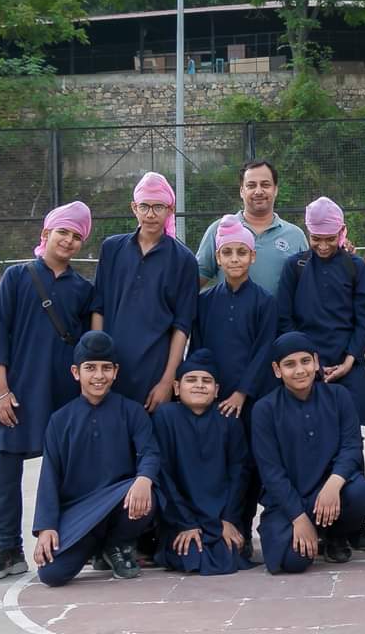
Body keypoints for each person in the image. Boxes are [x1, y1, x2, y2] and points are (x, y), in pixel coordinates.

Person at [0, 202, 94, 582]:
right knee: (6, 471)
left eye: (77, 236)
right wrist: (1, 391)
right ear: (45, 234)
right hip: (18, 394)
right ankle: (8, 548)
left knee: (68, 472)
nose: (69, 240)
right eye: (63, 232)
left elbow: (87, 347)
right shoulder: (17, 277)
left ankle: (73, 540)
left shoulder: (83, 290)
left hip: (63, 394)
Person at [276, 196, 365, 552]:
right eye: (316, 239)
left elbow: (364, 318)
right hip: (306, 371)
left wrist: (350, 359)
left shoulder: (355, 267)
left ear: (342, 232)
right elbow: (285, 320)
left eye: (329, 239)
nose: (322, 246)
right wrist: (307, 364)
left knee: (352, 443)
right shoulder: (295, 267)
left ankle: (353, 524)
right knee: (311, 441)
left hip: (347, 368)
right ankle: (318, 518)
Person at [31, 331, 160, 587]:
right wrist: (46, 527)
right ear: (76, 372)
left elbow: (150, 452)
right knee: (52, 574)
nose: (99, 375)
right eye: (90, 368)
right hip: (79, 513)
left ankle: (117, 544)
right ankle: (96, 547)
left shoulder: (132, 411)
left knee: (147, 492)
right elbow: (49, 476)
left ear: (115, 372)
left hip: (119, 504)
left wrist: (145, 478)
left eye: (106, 368)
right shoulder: (60, 420)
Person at [251, 332, 365, 574]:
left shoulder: (338, 396)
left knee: (360, 493)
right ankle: (311, 532)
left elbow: (351, 447)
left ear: (316, 362)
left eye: (305, 361)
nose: (299, 370)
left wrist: (334, 484)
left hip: (329, 495)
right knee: (293, 561)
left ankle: (335, 535)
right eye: (289, 364)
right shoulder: (264, 409)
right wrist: (298, 518)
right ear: (277, 370)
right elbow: (271, 471)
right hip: (288, 502)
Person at [190, 214, 278, 552]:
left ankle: (244, 527)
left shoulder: (265, 302)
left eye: (242, 252)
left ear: (252, 256)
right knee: (221, 463)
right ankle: (223, 528)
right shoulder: (204, 302)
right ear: (218, 257)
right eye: (227, 253)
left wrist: (242, 393)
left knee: (250, 464)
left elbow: (263, 351)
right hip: (215, 400)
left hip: (251, 400)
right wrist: (205, 394)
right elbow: (199, 351)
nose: (235, 259)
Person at [91, 172, 198, 410]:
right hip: (110, 371)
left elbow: (182, 326)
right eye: (144, 206)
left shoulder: (184, 260)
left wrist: (167, 381)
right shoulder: (112, 249)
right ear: (134, 208)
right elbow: (99, 308)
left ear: (170, 210)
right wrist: (97, 363)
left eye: (158, 207)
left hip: (153, 375)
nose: (150, 214)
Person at [152, 349, 253, 575]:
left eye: (206, 381)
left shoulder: (228, 419)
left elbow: (239, 473)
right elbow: (163, 474)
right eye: (191, 380)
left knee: (228, 555)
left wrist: (228, 519)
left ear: (216, 390)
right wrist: (185, 523)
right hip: (181, 516)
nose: (199, 385)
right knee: (190, 553)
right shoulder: (166, 417)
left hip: (221, 516)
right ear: (176, 387)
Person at [196, 160, 309, 297]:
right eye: (251, 185)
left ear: (275, 190)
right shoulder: (219, 229)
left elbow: (307, 287)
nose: (258, 191)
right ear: (241, 191)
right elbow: (195, 281)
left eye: (265, 185)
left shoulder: (295, 236)